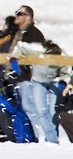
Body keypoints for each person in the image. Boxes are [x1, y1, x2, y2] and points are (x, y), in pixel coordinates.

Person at [8, 9, 71, 144]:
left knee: (53, 111)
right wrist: (14, 59)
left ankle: (52, 140)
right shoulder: (38, 50)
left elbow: (67, 69)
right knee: (42, 112)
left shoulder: (61, 55)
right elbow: (20, 46)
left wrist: (63, 81)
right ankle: (51, 140)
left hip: (54, 81)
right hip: (39, 80)